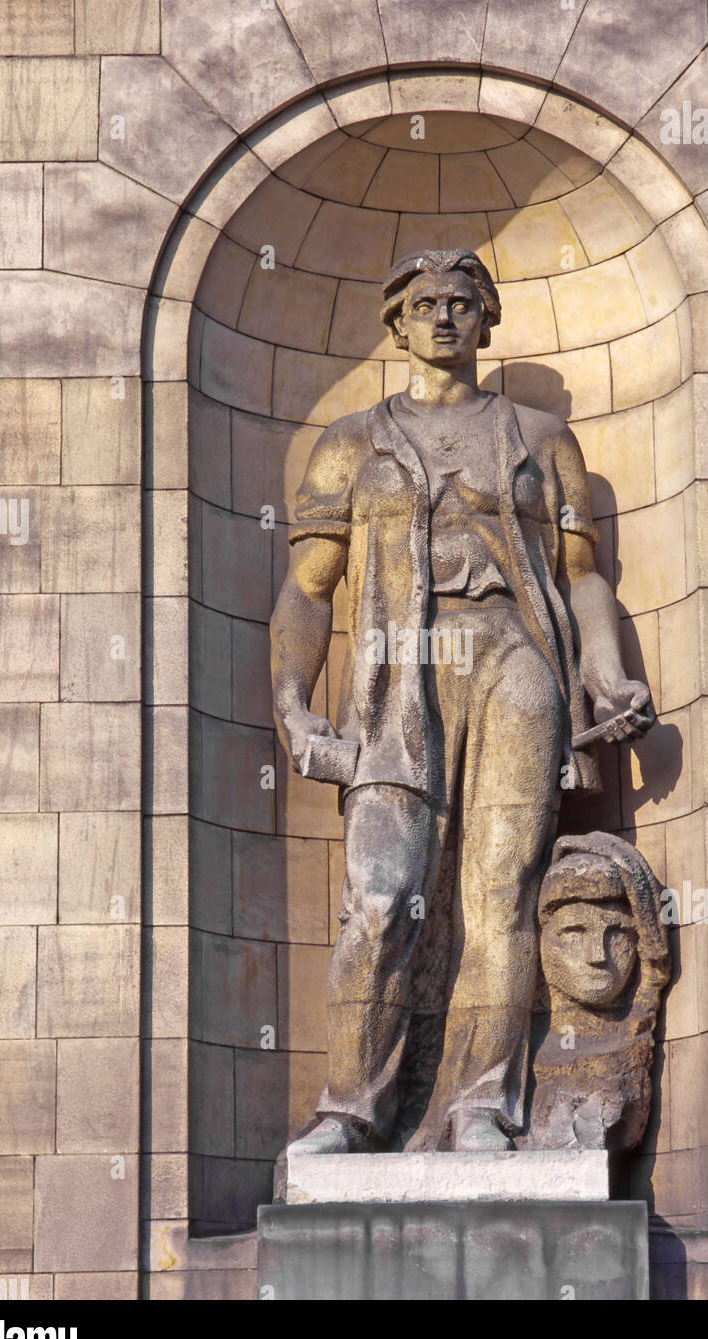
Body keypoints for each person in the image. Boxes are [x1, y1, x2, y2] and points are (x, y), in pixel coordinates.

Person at [270, 248, 654, 1154]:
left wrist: (605, 670)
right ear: (397, 324)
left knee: (501, 891)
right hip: (396, 670)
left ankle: (482, 1104)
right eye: (425, 304)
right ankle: (348, 1109)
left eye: (463, 302)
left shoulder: (539, 436)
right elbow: (309, 585)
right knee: (379, 891)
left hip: (512, 660)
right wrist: (291, 704)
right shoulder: (352, 441)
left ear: (486, 321)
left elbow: (580, 575)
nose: (445, 316)